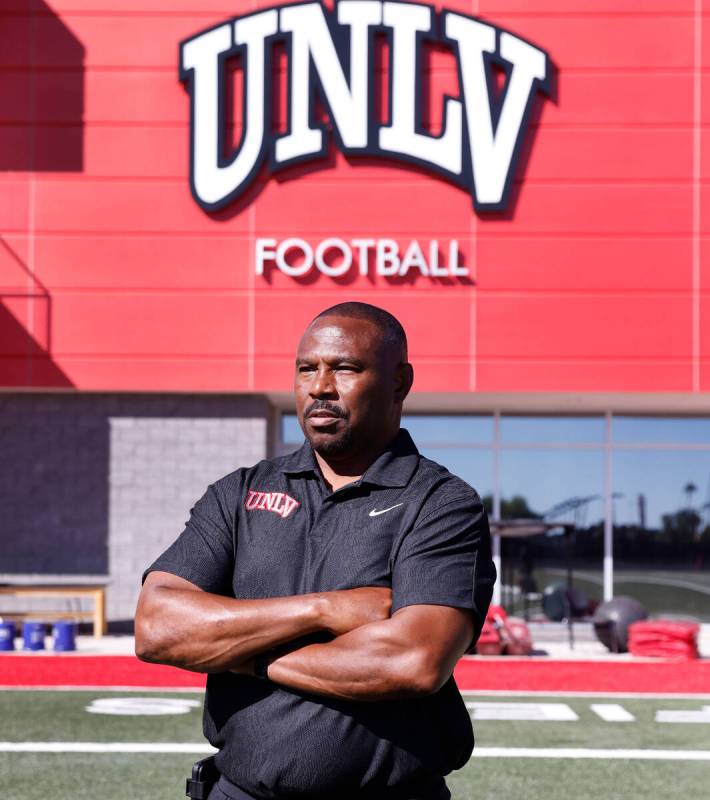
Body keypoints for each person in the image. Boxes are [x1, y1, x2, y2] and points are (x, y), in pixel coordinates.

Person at [135, 301, 496, 800]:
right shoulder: (240, 492)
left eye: (345, 368)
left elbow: (413, 659)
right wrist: (326, 609)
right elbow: (157, 626)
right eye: (307, 368)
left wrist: (243, 656)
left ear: (399, 382)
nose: (320, 387)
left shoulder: (440, 503)